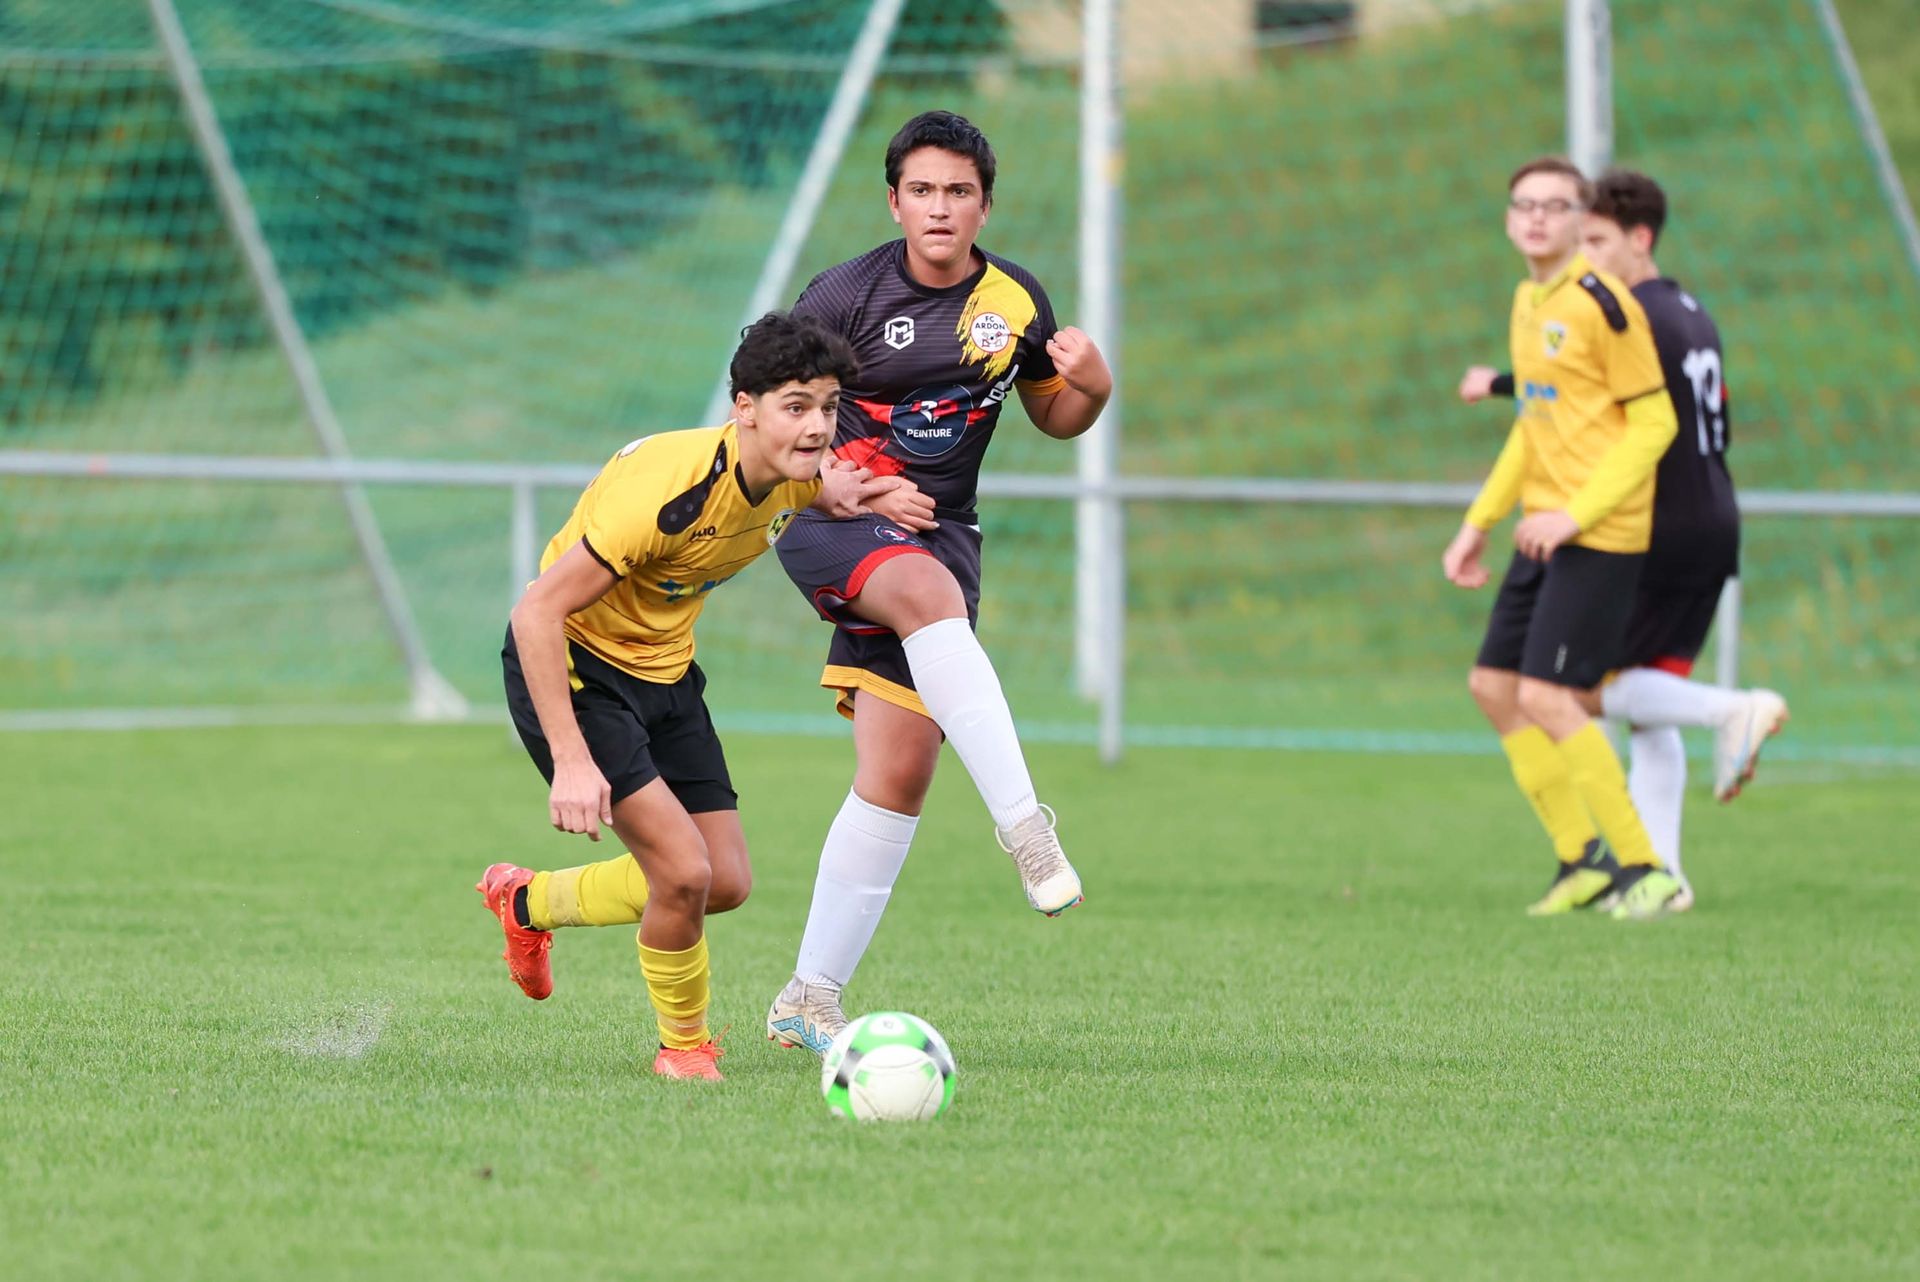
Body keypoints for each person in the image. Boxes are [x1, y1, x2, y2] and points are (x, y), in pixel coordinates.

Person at [475, 311, 920, 1080]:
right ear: (743, 407)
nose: (817, 425)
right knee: (682, 874)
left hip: (666, 672)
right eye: (795, 406)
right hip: (576, 668)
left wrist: (848, 496)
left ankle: (528, 904)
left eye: (828, 407)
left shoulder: (796, 469)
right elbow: (537, 610)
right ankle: (684, 1052)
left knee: (726, 880)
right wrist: (573, 763)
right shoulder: (667, 493)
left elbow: (806, 487)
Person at [764, 110, 1114, 1053]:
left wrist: (1097, 385)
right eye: (921, 190)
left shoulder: (1015, 301)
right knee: (931, 600)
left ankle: (808, 994)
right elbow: (767, 414)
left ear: (984, 204)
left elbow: (1058, 420)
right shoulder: (842, 298)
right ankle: (1026, 828)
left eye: (958, 191)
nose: (940, 208)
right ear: (894, 201)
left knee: (899, 773)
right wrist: (836, 478)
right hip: (830, 519)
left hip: (939, 534)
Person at [1459, 169, 1787, 912]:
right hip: (1699, 508)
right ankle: (1647, 870)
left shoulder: (1632, 313)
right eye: (1527, 207)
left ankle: (1726, 720)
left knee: (1574, 691)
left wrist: (1569, 499)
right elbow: (1572, 392)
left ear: (1635, 240)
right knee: (1620, 703)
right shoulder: (1687, 313)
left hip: (1653, 518)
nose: (1587, 249)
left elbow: (1628, 406)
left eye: (1596, 234)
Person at [1440, 156, 1684, 921]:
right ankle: (1581, 859)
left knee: (1549, 695)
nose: (1538, 217)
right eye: (1524, 205)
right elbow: (1534, 422)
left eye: (1555, 205)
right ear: (1510, 220)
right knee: (1493, 688)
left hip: (1599, 533)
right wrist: (1478, 523)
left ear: (1583, 220)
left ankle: (1647, 868)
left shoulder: (1602, 303)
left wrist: (1574, 516)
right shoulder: (1528, 299)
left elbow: (1656, 423)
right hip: (1542, 531)